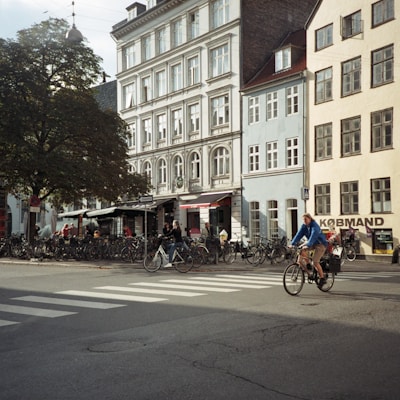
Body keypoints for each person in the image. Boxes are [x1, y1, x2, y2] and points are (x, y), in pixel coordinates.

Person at [291, 213, 328, 288]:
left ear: (310, 219)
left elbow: (313, 236)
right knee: (301, 251)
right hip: (311, 243)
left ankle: (322, 278)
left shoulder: (315, 226)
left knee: (315, 262)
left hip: (320, 244)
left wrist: (307, 245)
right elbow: (298, 234)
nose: (304, 221)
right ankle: (308, 265)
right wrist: (292, 243)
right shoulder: (304, 226)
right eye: (303, 220)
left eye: (306, 219)